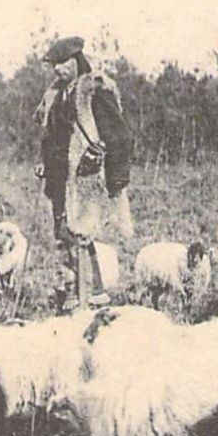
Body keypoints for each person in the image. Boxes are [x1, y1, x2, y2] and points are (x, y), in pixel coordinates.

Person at [33, 36, 134, 309]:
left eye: (62, 63)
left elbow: (120, 135)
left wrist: (103, 158)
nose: (57, 70)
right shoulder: (55, 94)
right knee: (64, 234)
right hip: (59, 178)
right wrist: (46, 162)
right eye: (54, 65)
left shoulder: (94, 91)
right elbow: (51, 137)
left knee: (83, 235)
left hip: (86, 177)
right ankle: (70, 292)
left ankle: (92, 295)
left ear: (76, 61)